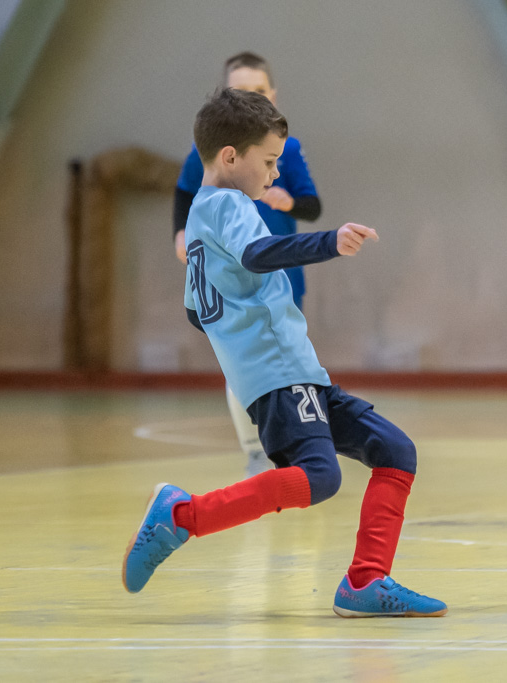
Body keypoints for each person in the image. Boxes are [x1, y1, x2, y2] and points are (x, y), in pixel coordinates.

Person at [125, 87, 446, 618]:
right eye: (270, 161)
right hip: (279, 374)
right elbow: (257, 253)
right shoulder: (228, 203)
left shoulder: (201, 217)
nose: (275, 175)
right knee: (320, 476)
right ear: (231, 157)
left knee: (395, 451)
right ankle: (182, 516)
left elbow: (195, 311)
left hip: (292, 372)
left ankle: (366, 581)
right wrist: (328, 242)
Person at [173, 52, 322, 478]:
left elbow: (312, 206)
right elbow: (184, 193)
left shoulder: (286, 150)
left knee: (290, 362)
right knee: (241, 364)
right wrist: (180, 233)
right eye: (240, 90)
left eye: (259, 90)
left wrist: (289, 202)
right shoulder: (211, 154)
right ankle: (256, 451)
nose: (252, 96)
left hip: (280, 275)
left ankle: (293, 445)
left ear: (273, 95)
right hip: (230, 277)